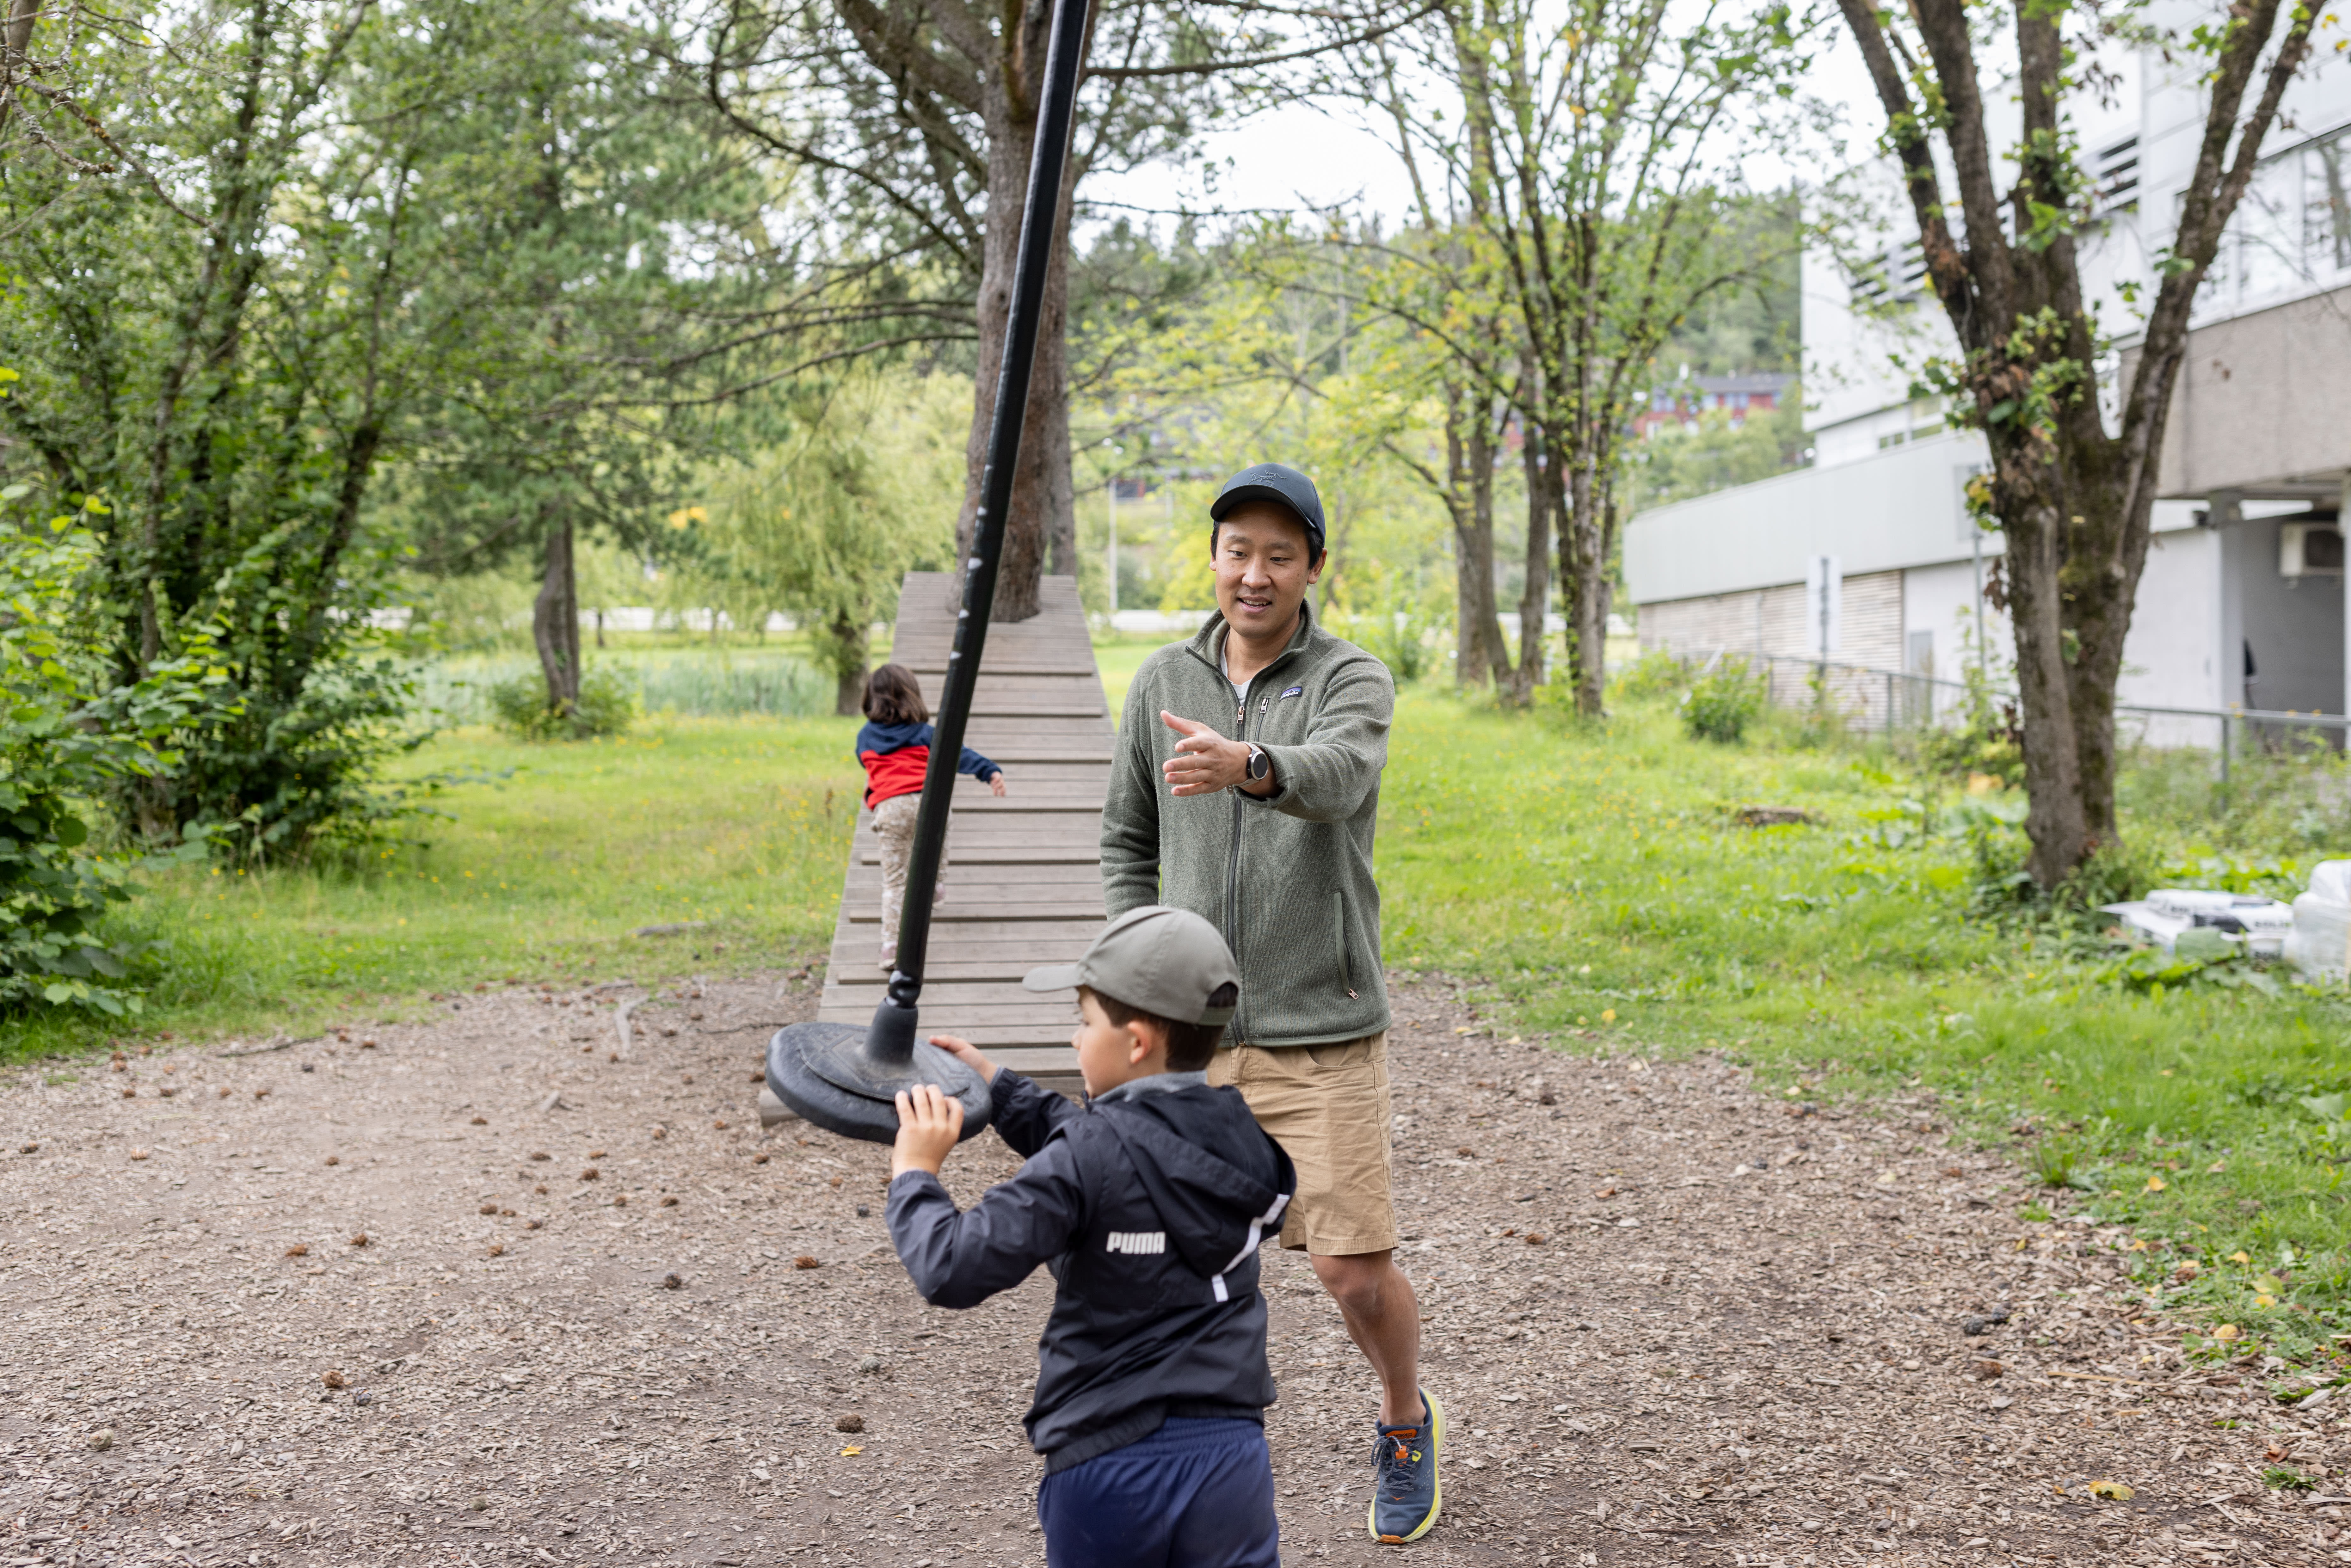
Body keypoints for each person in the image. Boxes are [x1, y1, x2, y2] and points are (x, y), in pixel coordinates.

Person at [1099, 461, 1440, 1545]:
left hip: (1320, 1029)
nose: (1255, 574)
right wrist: (1136, 968)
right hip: (1194, 1041)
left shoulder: (1351, 678)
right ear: (1213, 559)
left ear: (1312, 568)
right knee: (1164, 1259)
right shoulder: (1161, 681)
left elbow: (1337, 777)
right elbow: (1126, 841)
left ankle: (1404, 1419)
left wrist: (1248, 763)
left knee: (1350, 1270)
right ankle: (1171, 1442)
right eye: (1238, 551)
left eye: (1278, 555)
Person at [886, 905, 1297, 1568]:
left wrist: (916, 1172)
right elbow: (1125, 1143)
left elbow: (953, 1265)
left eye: (1084, 1021)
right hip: (1231, 1457)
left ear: (1136, 1043)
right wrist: (1000, 1086)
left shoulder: (1086, 1156)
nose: (1075, 1039)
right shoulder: (1249, 1141)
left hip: (1107, 1462)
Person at [854, 662, 1006, 972]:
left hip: (891, 808)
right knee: (941, 831)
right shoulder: (926, 734)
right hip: (928, 802)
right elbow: (959, 754)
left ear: (871, 699)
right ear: (912, 696)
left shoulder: (865, 737)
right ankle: (936, 883)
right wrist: (989, 771)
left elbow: (865, 764)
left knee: (895, 880)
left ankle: (890, 946)